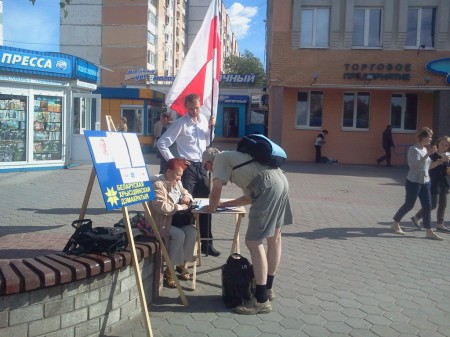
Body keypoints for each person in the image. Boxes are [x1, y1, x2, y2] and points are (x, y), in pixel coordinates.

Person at [201, 147, 293, 314]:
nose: (209, 171)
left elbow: (216, 189)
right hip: (281, 180)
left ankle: (261, 300)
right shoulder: (243, 163)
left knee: (253, 241)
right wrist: (224, 205)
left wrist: (211, 206)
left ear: (209, 162)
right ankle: (268, 290)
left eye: (206, 167)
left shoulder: (221, 158)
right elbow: (249, 198)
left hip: (268, 185)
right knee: (274, 238)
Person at [157, 93, 219, 257]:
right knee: (186, 205)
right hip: (188, 167)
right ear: (186, 108)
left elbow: (207, 140)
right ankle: (182, 240)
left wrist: (212, 129)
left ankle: (207, 244)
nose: (194, 111)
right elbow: (161, 143)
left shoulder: (204, 120)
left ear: (200, 106)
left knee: (206, 204)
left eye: (197, 108)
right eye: (191, 109)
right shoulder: (180, 123)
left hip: (203, 166)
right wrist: (175, 161)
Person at [148, 158, 197, 288]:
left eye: (181, 175)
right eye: (178, 174)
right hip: (162, 222)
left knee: (192, 232)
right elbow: (161, 207)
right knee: (179, 235)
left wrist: (188, 197)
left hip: (176, 220)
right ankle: (169, 271)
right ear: (168, 171)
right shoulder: (158, 185)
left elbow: (186, 192)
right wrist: (180, 207)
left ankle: (182, 265)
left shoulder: (177, 183)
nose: (180, 178)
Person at [392, 127, 444, 240]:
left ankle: (429, 231)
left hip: (425, 181)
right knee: (409, 204)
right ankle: (396, 222)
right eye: (429, 136)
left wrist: (440, 161)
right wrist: (428, 154)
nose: (431, 139)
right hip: (413, 182)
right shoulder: (413, 149)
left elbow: (428, 167)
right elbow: (414, 166)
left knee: (428, 206)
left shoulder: (425, 149)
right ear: (423, 137)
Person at [411, 136, 450, 232]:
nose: (444, 146)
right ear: (438, 144)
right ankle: (416, 217)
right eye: (442, 144)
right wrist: (441, 160)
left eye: (446, 145)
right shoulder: (433, 155)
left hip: (443, 182)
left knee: (443, 204)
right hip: (433, 181)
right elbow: (428, 167)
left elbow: (447, 170)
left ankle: (440, 224)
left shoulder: (448, 155)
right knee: (432, 205)